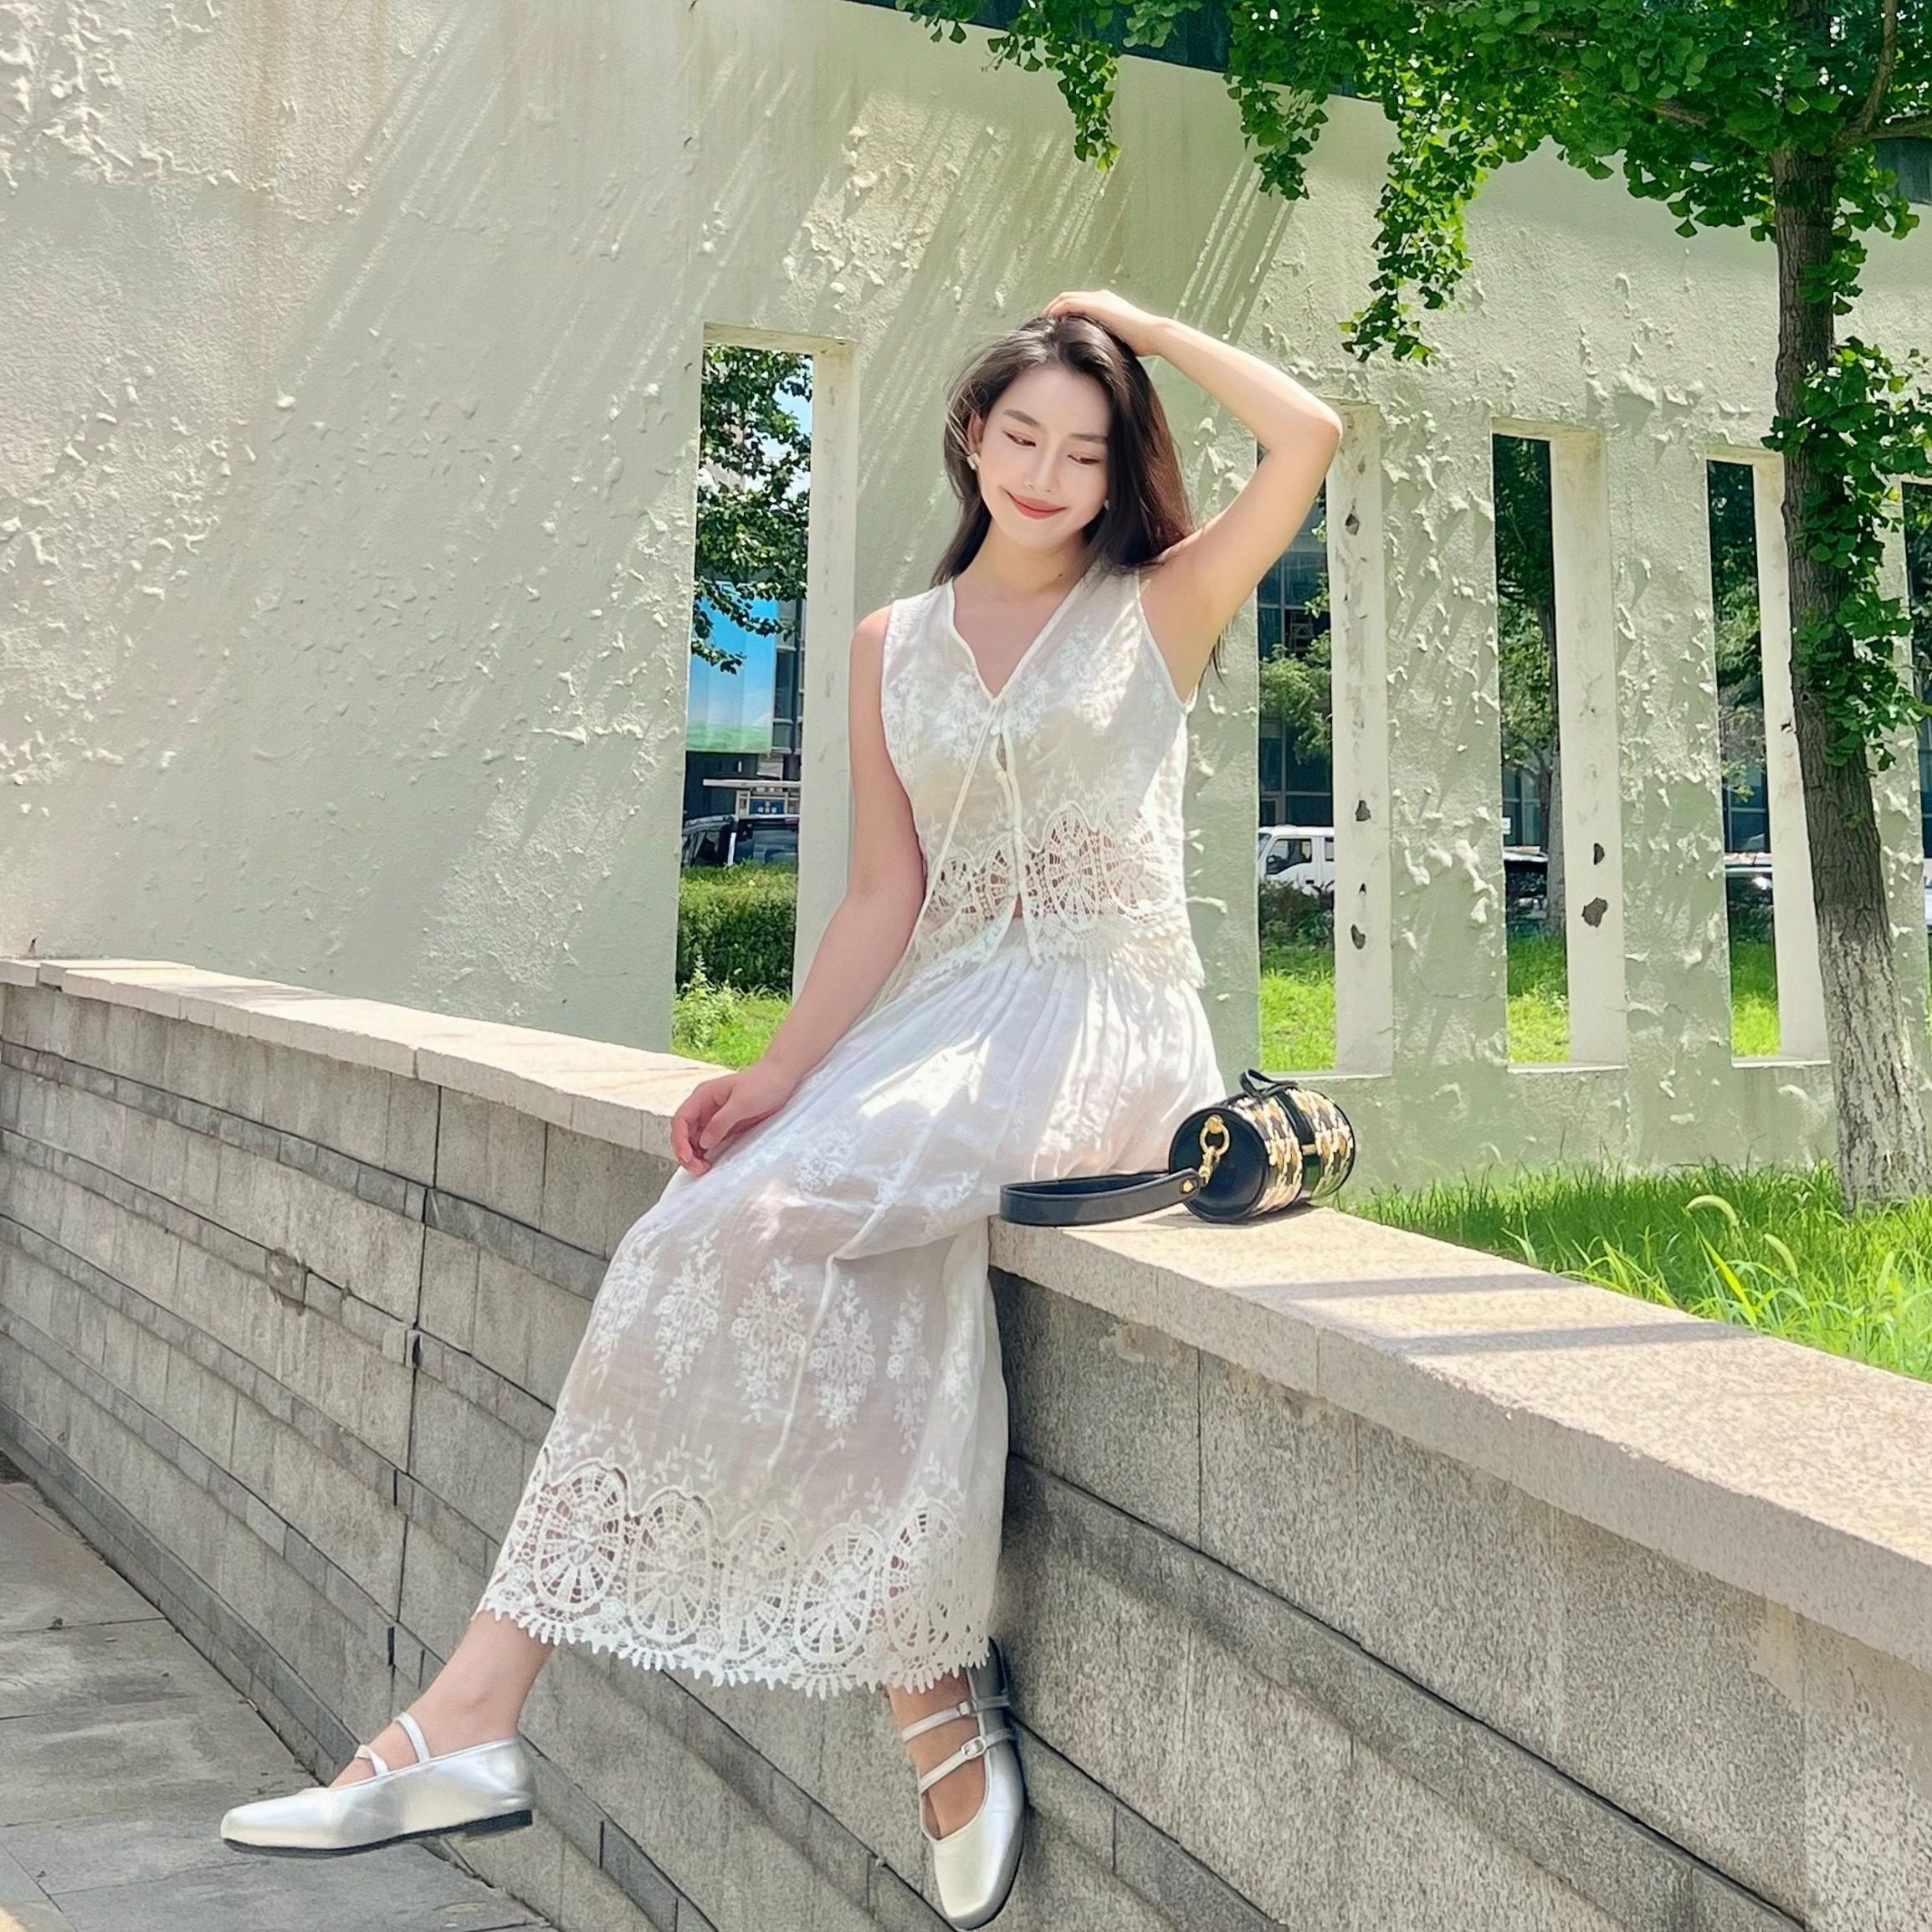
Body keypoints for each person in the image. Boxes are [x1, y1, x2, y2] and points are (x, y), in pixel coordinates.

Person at [218, 290, 1343, 1929]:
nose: (1045, 473)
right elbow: (886, 897)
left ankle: (841, 1703)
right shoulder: (891, 644)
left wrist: (1141, 332)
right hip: (939, 1028)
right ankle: (504, 1712)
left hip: (1100, 1025)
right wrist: (779, 1071)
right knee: (690, 1238)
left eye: (1086, 452)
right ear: (971, 436)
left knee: (792, 1219)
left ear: (1119, 475)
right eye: (1021, 434)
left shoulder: (1158, 603)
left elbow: (1309, 434)